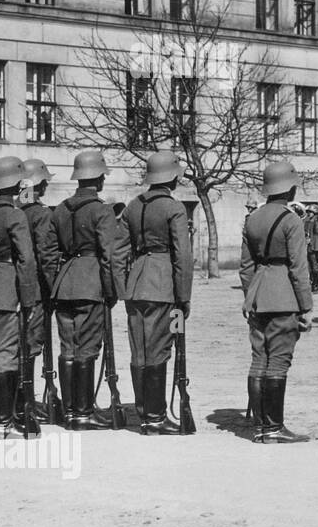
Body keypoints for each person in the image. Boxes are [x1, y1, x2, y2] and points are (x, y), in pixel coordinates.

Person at [44, 150, 128, 431]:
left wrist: (55, 284)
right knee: (87, 348)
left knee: (68, 347)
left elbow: (50, 252)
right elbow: (109, 255)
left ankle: (71, 412)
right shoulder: (101, 210)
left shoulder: (61, 208)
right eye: (102, 175)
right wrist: (112, 290)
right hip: (90, 284)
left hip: (64, 284)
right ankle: (83, 413)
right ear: (97, 177)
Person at [120, 151, 194, 435]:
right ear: (171, 177)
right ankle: (155, 417)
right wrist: (184, 296)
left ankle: (144, 412)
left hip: (136, 283)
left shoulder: (133, 206)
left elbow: (120, 251)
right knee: (159, 350)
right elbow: (182, 257)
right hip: (163, 285)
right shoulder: (173, 208)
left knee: (139, 350)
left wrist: (123, 284)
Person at [240, 161, 312, 444]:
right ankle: (273, 428)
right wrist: (306, 307)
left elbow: (246, 267)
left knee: (259, 359)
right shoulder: (291, 219)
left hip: (258, 295)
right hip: (283, 296)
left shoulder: (252, 218)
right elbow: (298, 268)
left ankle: (260, 426)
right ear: (290, 187)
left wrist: (252, 294)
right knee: (279, 362)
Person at [0, 157, 38, 438]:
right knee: (5, 355)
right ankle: (3, 422)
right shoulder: (15, 214)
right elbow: (26, 259)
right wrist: (28, 300)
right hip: (6, 289)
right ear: (15, 182)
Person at [17, 159, 56, 424]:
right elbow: (46, 256)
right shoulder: (40, 214)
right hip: (36, 290)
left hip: (8, 288)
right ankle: (25, 403)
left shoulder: (11, 209)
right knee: (31, 346)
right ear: (40, 184)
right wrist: (53, 288)